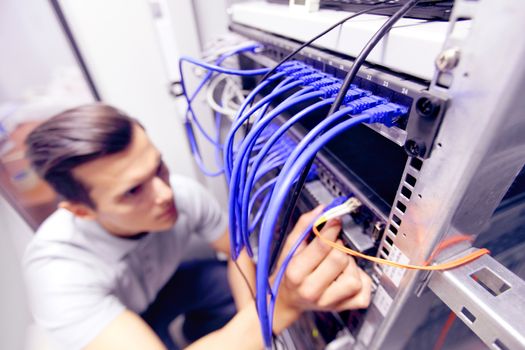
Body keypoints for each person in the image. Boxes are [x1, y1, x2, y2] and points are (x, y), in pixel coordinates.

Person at [23, 103, 372, 350]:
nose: (164, 193)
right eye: (132, 191)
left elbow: (235, 256)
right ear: (82, 212)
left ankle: (208, 333)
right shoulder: (57, 273)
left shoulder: (180, 195)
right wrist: (282, 306)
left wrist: (256, 319)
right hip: (109, 317)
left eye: (157, 168)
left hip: (166, 287)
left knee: (221, 281)